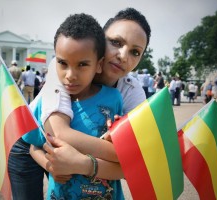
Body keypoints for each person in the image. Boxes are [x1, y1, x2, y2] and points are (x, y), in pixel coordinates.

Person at [8, 7, 151, 200]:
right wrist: (121, 152)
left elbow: (136, 166)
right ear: (100, 40)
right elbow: (57, 135)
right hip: (33, 143)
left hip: (80, 154)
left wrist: (84, 163)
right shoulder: (66, 71)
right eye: (116, 42)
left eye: (135, 52)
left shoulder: (131, 92)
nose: (123, 55)